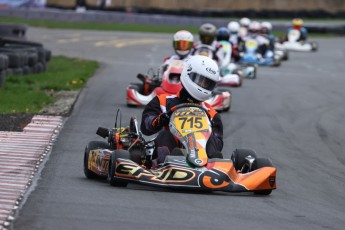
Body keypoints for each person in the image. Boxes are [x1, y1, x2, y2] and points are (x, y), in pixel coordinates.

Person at [140, 55, 224, 167]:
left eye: (207, 84)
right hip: (165, 155)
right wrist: (161, 119)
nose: (203, 86)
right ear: (188, 74)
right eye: (200, 81)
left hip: (200, 158)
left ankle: (213, 166)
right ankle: (172, 161)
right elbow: (146, 128)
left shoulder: (211, 113)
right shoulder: (162, 102)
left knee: (211, 139)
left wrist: (204, 132)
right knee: (166, 134)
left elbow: (218, 143)